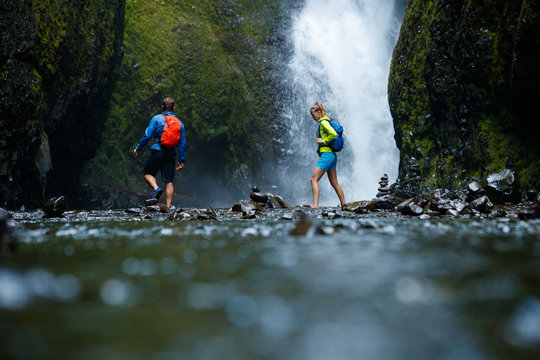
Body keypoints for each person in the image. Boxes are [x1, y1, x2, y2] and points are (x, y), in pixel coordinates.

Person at [133, 97, 186, 209]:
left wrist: (138, 148)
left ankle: (156, 189)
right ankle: (167, 207)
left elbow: (147, 136)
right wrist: (181, 160)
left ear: (162, 107)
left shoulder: (157, 118)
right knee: (169, 181)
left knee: (147, 172)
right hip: (171, 153)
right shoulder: (180, 123)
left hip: (158, 150)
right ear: (174, 108)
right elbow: (182, 143)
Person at [309, 102, 345, 208]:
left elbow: (333, 134)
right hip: (332, 156)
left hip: (327, 155)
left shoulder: (324, 122)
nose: (313, 116)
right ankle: (344, 205)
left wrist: (323, 141)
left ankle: (315, 205)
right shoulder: (327, 121)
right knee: (334, 182)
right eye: (311, 115)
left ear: (319, 112)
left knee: (313, 179)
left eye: (313, 114)